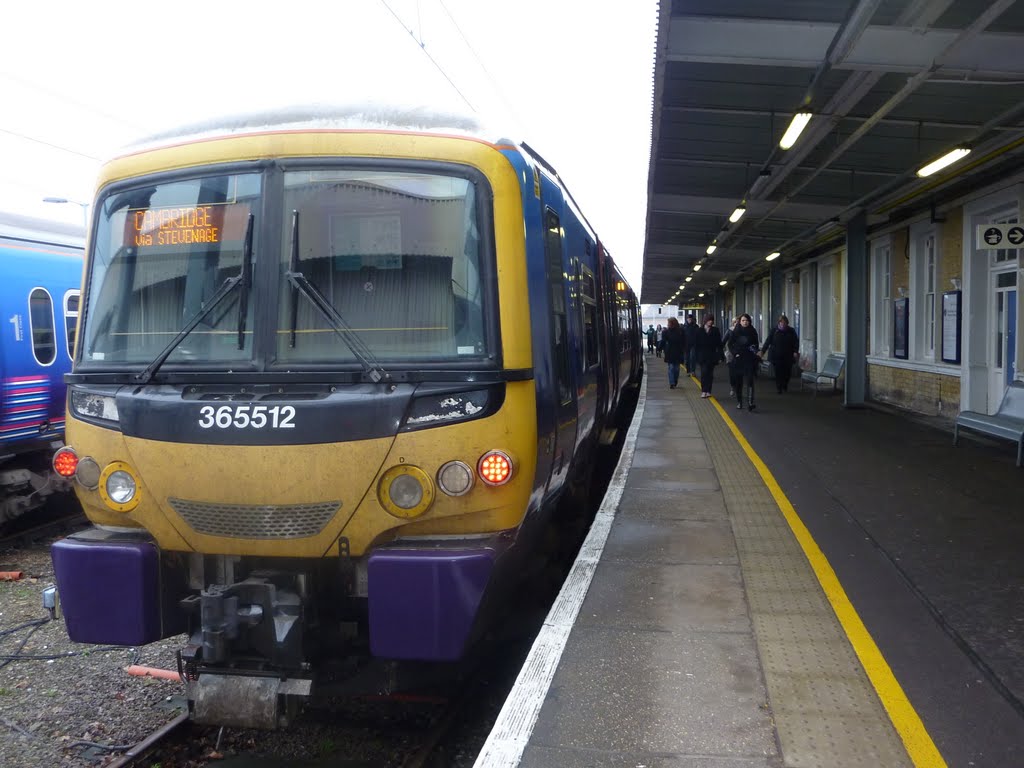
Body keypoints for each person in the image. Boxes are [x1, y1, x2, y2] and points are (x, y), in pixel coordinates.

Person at [726, 314, 761, 411]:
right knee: (739, 381)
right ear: (740, 321)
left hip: (749, 358)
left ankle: (750, 402)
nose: (745, 322)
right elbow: (730, 344)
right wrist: (735, 353)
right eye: (743, 320)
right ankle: (739, 401)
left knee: (750, 380)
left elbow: (756, 344)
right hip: (738, 359)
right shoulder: (736, 331)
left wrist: (755, 351)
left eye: (747, 320)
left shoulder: (753, 331)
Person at [761, 314, 800, 394]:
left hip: (788, 355)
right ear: (779, 323)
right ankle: (779, 387)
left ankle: (785, 384)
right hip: (776, 355)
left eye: (785, 323)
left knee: (787, 372)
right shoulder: (774, 330)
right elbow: (768, 341)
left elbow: (796, 342)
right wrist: (762, 351)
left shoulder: (791, 331)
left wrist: (795, 351)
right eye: (782, 323)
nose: (783, 324)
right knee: (778, 372)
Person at [695, 314, 723, 398]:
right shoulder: (699, 330)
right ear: (705, 321)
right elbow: (696, 344)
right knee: (704, 373)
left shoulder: (715, 330)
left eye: (712, 320)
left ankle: (708, 391)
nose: (711, 321)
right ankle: (704, 390)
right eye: (709, 320)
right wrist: (696, 356)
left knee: (710, 374)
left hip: (712, 355)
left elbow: (719, 344)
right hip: (702, 355)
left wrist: (720, 356)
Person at [661, 316, 686, 388]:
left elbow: (684, 341)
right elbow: (663, 341)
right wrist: (659, 348)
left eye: (669, 323)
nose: (668, 324)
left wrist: (684, 349)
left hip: (678, 352)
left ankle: (675, 380)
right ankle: (672, 383)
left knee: (677, 369)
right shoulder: (666, 332)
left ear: (673, 323)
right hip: (669, 352)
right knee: (671, 367)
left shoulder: (681, 331)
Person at [721, 316, 741, 397]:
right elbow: (723, 342)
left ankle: (738, 388)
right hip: (730, 355)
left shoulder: (743, 331)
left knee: (739, 373)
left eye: (738, 322)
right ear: (733, 323)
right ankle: (733, 387)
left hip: (740, 355)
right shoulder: (729, 331)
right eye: (735, 322)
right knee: (732, 372)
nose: (736, 323)